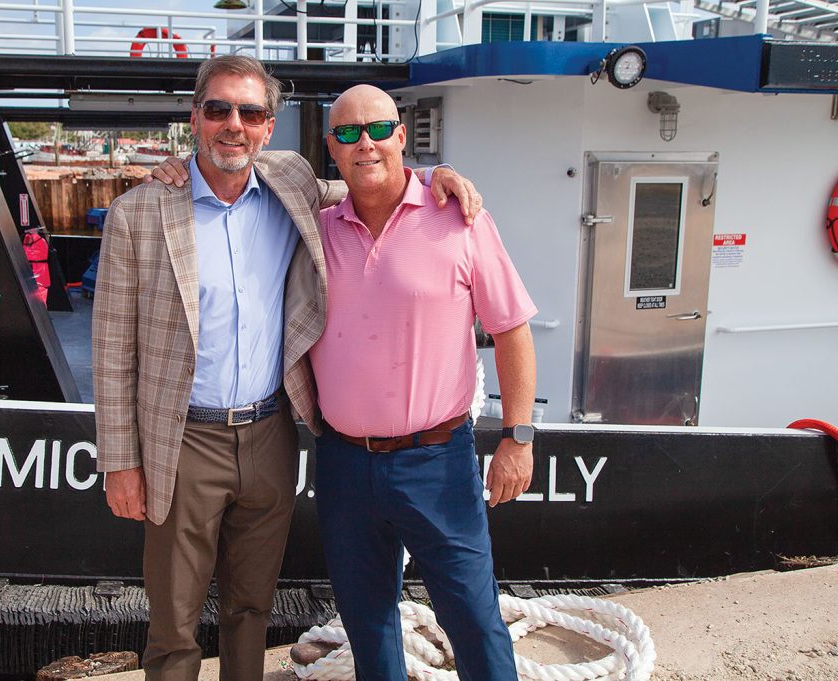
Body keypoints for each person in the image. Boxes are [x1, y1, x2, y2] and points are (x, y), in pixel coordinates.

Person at [93, 55, 481, 681]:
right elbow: (112, 349)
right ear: (195, 118)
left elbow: (365, 181)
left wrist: (434, 175)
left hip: (271, 434)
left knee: (252, 606)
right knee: (173, 621)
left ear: (269, 127)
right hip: (184, 439)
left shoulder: (289, 184)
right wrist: (120, 462)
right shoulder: (139, 212)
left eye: (249, 113)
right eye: (218, 109)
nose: (232, 125)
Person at [307, 84, 537, 680]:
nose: (367, 143)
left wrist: (518, 437)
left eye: (380, 129)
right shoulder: (316, 230)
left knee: (472, 615)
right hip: (342, 462)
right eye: (350, 133)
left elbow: (511, 329)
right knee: (367, 620)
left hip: (437, 461)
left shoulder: (459, 219)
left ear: (402, 136)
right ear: (332, 146)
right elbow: (256, 177)